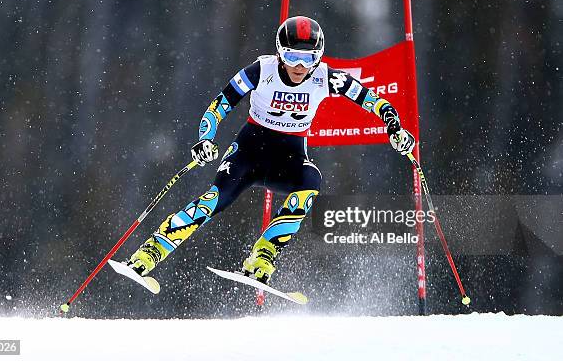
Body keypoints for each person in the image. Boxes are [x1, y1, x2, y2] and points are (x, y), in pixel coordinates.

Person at [127, 16, 415, 284]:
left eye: (308, 58)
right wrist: (206, 139)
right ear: (280, 53)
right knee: (213, 200)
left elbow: (373, 100)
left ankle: (263, 256)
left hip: (288, 160)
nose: (300, 66)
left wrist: (395, 128)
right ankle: (150, 251)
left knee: (311, 181)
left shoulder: (326, 78)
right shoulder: (261, 70)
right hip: (249, 153)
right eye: (292, 56)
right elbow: (219, 105)